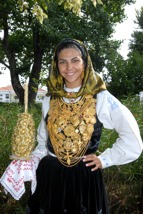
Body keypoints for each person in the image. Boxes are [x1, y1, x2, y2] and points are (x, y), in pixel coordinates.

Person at [26, 38, 143, 214]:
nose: (69, 67)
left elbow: (132, 137)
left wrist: (105, 159)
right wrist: (33, 160)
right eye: (62, 62)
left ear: (85, 62)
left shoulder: (101, 97)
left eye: (75, 60)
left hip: (84, 176)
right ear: (56, 66)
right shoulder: (50, 98)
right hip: (50, 175)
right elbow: (43, 139)